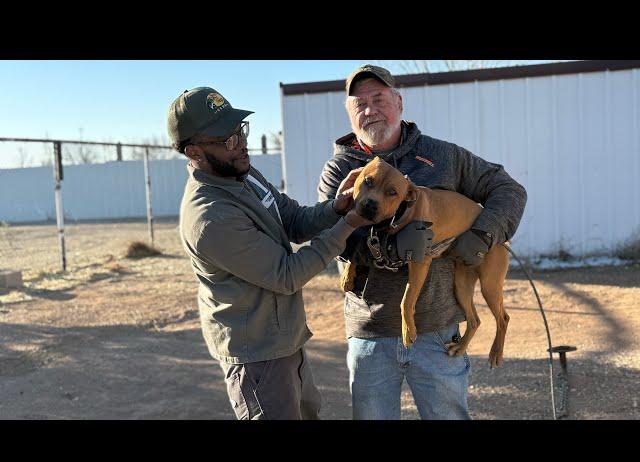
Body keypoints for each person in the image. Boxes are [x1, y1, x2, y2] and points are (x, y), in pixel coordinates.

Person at [317, 65, 528, 420]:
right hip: (370, 334)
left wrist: (482, 235)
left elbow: (509, 190)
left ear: (399, 102)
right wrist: (383, 247)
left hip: (437, 332)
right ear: (349, 112)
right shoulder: (340, 170)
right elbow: (330, 234)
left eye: (379, 99)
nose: (370, 110)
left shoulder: (444, 156)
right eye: (360, 103)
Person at [168, 86, 371, 420]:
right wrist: (347, 225)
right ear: (195, 152)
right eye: (227, 139)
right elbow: (286, 275)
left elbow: (291, 218)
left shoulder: (242, 174)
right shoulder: (211, 217)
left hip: (283, 340)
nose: (241, 142)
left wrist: (336, 208)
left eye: (239, 130)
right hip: (257, 357)